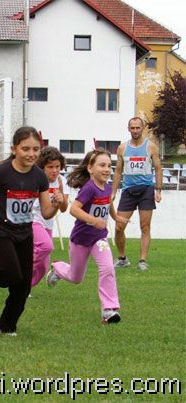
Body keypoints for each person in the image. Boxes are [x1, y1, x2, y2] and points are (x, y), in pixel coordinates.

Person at [0, 127, 59, 336]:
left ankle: (6, 326)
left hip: (24, 233)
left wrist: (57, 204)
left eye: (36, 149)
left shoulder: (39, 177)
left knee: (23, 285)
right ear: (14, 149)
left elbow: (46, 212)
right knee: (10, 274)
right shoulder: (1, 171)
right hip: (1, 229)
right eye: (25, 149)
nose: (31, 154)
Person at [46, 149, 129, 324]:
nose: (106, 169)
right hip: (81, 240)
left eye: (109, 166)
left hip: (99, 239)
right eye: (102, 165)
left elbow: (108, 203)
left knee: (108, 268)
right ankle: (58, 268)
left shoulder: (107, 188)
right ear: (90, 169)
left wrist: (116, 218)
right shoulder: (89, 188)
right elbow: (74, 209)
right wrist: (93, 220)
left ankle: (109, 310)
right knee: (76, 277)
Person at [111, 117, 162, 271]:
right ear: (128, 129)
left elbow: (158, 168)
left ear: (142, 128)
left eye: (137, 128)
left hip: (146, 190)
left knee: (145, 226)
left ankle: (142, 260)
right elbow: (118, 171)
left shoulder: (151, 147)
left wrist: (158, 190)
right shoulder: (122, 148)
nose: (135, 131)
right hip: (128, 190)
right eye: (132, 128)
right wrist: (113, 192)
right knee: (119, 226)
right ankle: (122, 258)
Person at [30, 147, 69, 288]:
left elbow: (63, 209)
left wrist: (61, 198)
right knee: (46, 246)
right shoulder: (35, 179)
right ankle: (20, 269)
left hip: (48, 224)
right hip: (33, 220)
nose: (54, 170)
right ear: (42, 167)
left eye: (57, 167)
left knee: (43, 267)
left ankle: (24, 288)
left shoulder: (61, 181)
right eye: (50, 167)